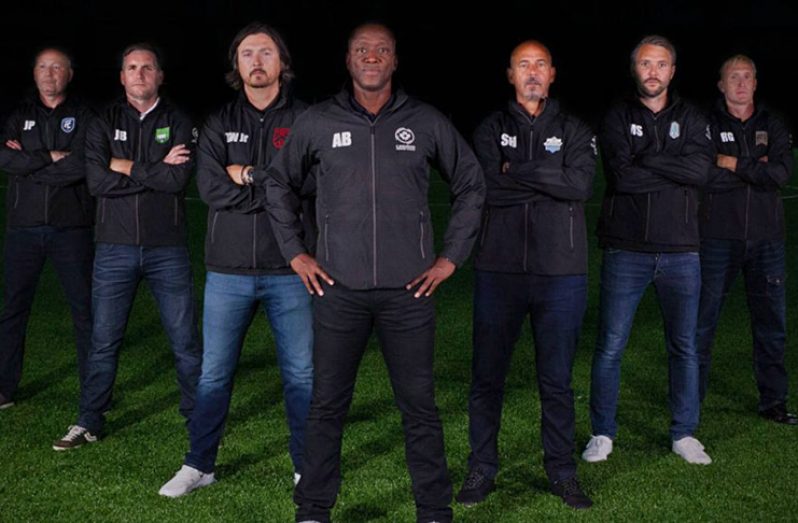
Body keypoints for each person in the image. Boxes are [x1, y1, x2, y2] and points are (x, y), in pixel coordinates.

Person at [262, 23, 485, 523]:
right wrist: (297, 253)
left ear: (394, 60)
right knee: (327, 406)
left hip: (409, 292)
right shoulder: (319, 122)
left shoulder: (425, 122)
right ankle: (314, 509)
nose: (372, 57)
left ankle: (433, 510)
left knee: (420, 408)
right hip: (338, 289)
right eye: (362, 50)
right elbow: (278, 184)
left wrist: (450, 258)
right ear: (348, 60)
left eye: (382, 50)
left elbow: (471, 183)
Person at [158, 22, 314, 498]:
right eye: (247, 53)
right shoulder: (219, 122)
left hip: (291, 269)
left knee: (302, 375)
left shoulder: (308, 120)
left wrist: (246, 174)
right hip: (227, 271)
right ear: (237, 65)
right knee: (214, 373)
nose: (257, 61)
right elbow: (210, 190)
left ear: (282, 63)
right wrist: (274, 188)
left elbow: (311, 184)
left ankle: (306, 467)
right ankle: (200, 464)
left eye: (266, 52)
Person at [456, 40, 596, 510]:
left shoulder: (575, 128)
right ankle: (482, 467)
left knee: (556, 379)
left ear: (553, 74)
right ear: (509, 74)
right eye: (523, 65)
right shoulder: (490, 128)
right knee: (487, 377)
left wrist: (515, 170)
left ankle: (561, 471)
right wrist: (545, 176)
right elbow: (486, 188)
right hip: (499, 271)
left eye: (540, 65)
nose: (532, 72)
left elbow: (580, 184)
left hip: (561, 274)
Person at [53, 43, 201, 450]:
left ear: (160, 76)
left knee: (184, 341)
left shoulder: (180, 120)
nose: (139, 73)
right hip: (114, 249)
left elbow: (177, 182)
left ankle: (198, 419)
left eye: (147, 67)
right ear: (121, 77)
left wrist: (123, 165)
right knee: (103, 341)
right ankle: (89, 420)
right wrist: (153, 169)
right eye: (131, 67)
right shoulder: (102, 122)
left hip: (166, 248)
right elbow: (97, 183)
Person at [583, 35, 713, 465]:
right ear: (634, 69)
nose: (653, 71)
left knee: (684, 347)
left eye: (661, 64)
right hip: (627, 250)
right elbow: (622, 178)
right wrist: (671, 165)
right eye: (645, 64)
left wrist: (649, 158)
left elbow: (700, 171)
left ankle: (684, 433)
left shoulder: (692, 116)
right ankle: (602, 432)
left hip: (682, 251)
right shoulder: (617, 115)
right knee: (611, 346)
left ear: (672, 70)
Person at [696, 54, 796, 425]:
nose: (740, 82)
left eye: (747, 76)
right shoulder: (705, 123)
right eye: (733, 76)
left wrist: (734, 163)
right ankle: (693, 401)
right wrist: (758, 168)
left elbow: (781, 174)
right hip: (716, 239)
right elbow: (704, 174)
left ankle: (773, 401)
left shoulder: (774, 123)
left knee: (771, 324)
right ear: (720, 85)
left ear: (756, 83)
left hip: (767, 240)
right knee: (702, 323)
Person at [0, 48, 94, 410]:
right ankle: (6, 387)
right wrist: (49, 157)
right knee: (12, 308)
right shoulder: (19, 115)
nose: (49, 73)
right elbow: (5, 159)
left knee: (84, 310)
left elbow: (83, 164)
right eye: (42, 66)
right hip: (22, 229)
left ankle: (93, 390)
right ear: (34, 72)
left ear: (70, 73)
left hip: (71, 228)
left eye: (57, 67)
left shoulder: (84, 116)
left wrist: (29, 164)